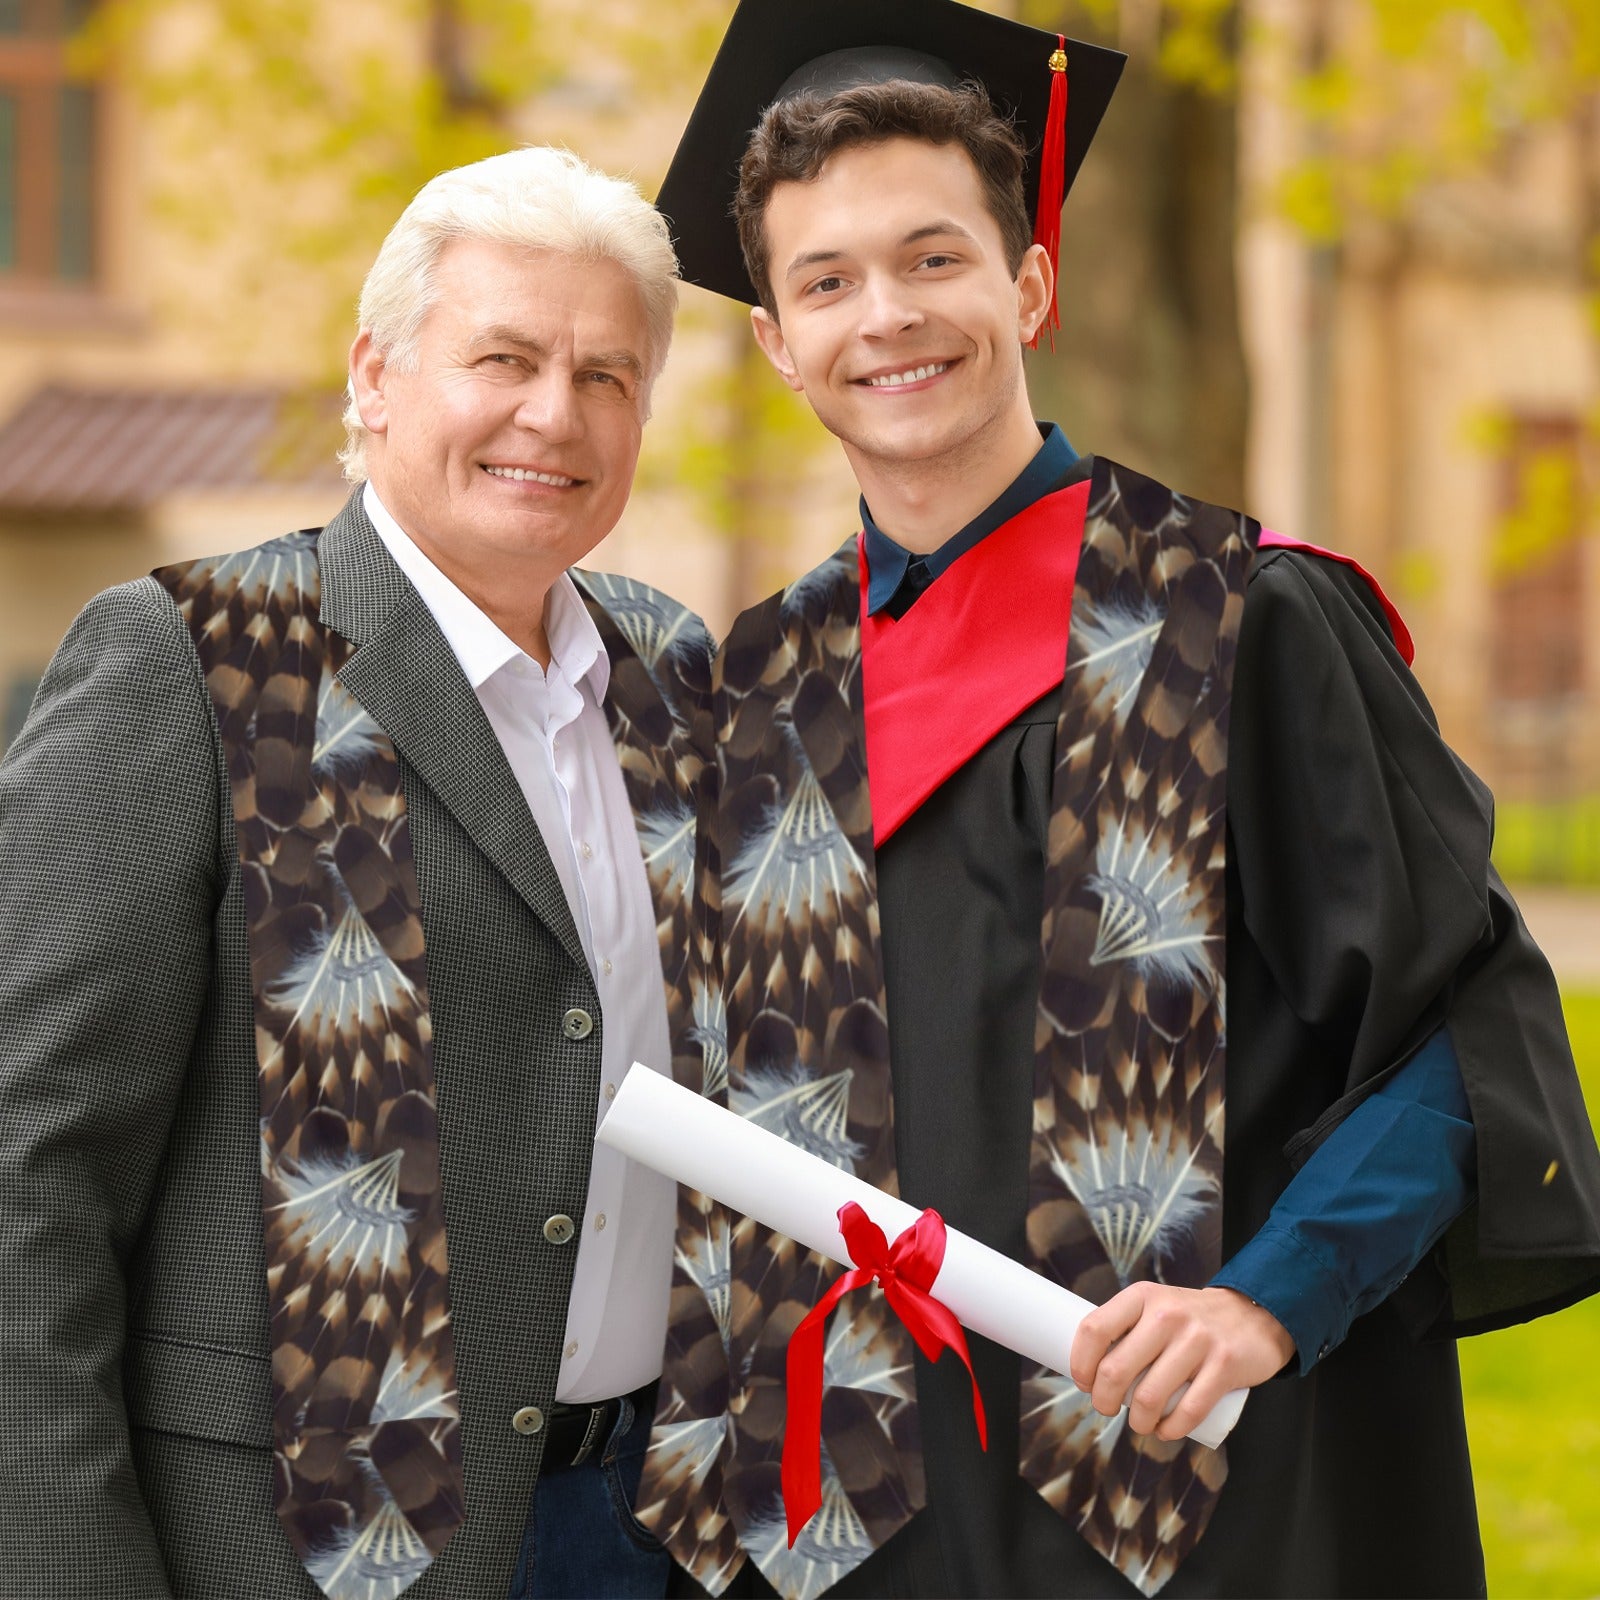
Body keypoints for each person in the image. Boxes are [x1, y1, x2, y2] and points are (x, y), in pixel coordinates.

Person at [630, 3, 1600, 1597]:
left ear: (1029, 282)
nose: (888, 316)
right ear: (777, 342)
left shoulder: (1248, 625)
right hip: (863, 1525)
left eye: (935, 259)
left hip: (1202, 1492)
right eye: (828, 281)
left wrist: (1267, 1300)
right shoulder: (759, 693)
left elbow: (1461, 1036)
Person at [0, 146, 712, 1600]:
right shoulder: (191, 664)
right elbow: (27, 1172)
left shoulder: (678, 670)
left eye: (605, 375)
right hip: (300, 1555)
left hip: (647, 1532)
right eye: (502, 357)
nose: (552, 414)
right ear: (375, 377)